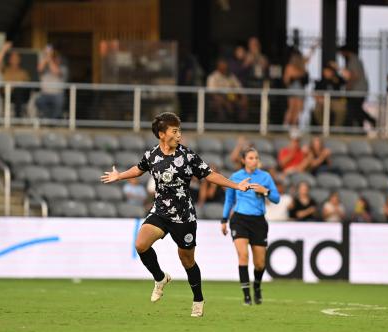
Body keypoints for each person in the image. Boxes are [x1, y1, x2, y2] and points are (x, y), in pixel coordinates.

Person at [100, 112, 250, 317]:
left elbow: (210, 175)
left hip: (184, 217)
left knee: (187, 260)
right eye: (174, 130)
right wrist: (119, 176)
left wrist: (236, 186)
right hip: (160, 212)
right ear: (162, 134)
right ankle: (160, 278)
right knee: (140, 244)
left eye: (179, 130)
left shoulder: (187, 156)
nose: (179, 134)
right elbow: (139, 169)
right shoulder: (152, 155)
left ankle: (198, 299)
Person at [221, 147, 279, 305]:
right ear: (243, 160)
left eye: (256, 157)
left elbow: (277, 198)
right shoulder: (236, 177)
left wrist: (265, 191)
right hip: (239, 220)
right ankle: (246, 296)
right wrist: (224, 220)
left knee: (260, 263)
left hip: (258, 221)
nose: (254, 160)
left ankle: (257, 288)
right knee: (243, 256)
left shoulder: (265, 177)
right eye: (251, 157)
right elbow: (229, 200)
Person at [338, 45, 374, 128]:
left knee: (354, 108)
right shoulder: (354, 60)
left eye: (342, 53)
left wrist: (348, 86)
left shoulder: (353, 60)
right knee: (355, 109)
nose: (341, 55)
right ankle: (363, 126)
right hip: (358, 89)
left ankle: (371, 120)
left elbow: (354, 76)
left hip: (358, 90)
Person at [0, 41, 31, 118]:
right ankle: (15, 117)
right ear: (9, 59)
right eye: (12, 57)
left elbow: (27, 85)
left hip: (20, 95)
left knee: (18, 91)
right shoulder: (5, 69)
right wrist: (4, 49)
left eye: (16, 57)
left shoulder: (23, 72)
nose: (14, 59)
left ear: (19, 59)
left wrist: (17, 85)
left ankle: (18, 117)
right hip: (7, 94)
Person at [206, 58, 248, 123]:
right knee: (220, 105)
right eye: (223, 67)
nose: (225, 68)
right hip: (218, 98)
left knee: (241, 104)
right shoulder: (213, 77)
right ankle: (222, 126)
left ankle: (242, 126)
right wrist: (225, 102)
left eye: (226, 66)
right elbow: (212, 93)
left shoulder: (231, 76)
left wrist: (243, 97)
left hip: (230, 96)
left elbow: (239, 88)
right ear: (218, 67)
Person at [36, 45, 68, 119]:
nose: (56, 59)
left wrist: (49, 59)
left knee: (59, 103)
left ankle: (53, 120)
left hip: (57, 94)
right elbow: (39, 69)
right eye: (55, 58)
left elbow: (56, 72)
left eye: (58, 58)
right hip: (45, 94)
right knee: (38, 101)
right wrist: (46, 56)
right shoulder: (45, 67)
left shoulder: (63, 68)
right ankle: (49, 119)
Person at [313, 62, 347, 127]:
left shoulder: (337, 80)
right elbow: (315, 93)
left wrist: (338, 67)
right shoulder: (320, 82)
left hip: (335, 101)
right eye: (326, 70)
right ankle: (324, 128)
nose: (327, 72)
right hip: (323, 101)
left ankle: (336, 129)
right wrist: (319, 99)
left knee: (341, 109)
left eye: (329, 71)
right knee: (316, 110)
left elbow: (347, 77)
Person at [282, 48, 309, 126]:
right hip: (292, 89)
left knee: (299, 109)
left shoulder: (302, 66)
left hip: (300, 90)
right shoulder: (290, 67)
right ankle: (286, 125)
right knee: (291, 108)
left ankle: (294, 126)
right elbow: (286, 80)